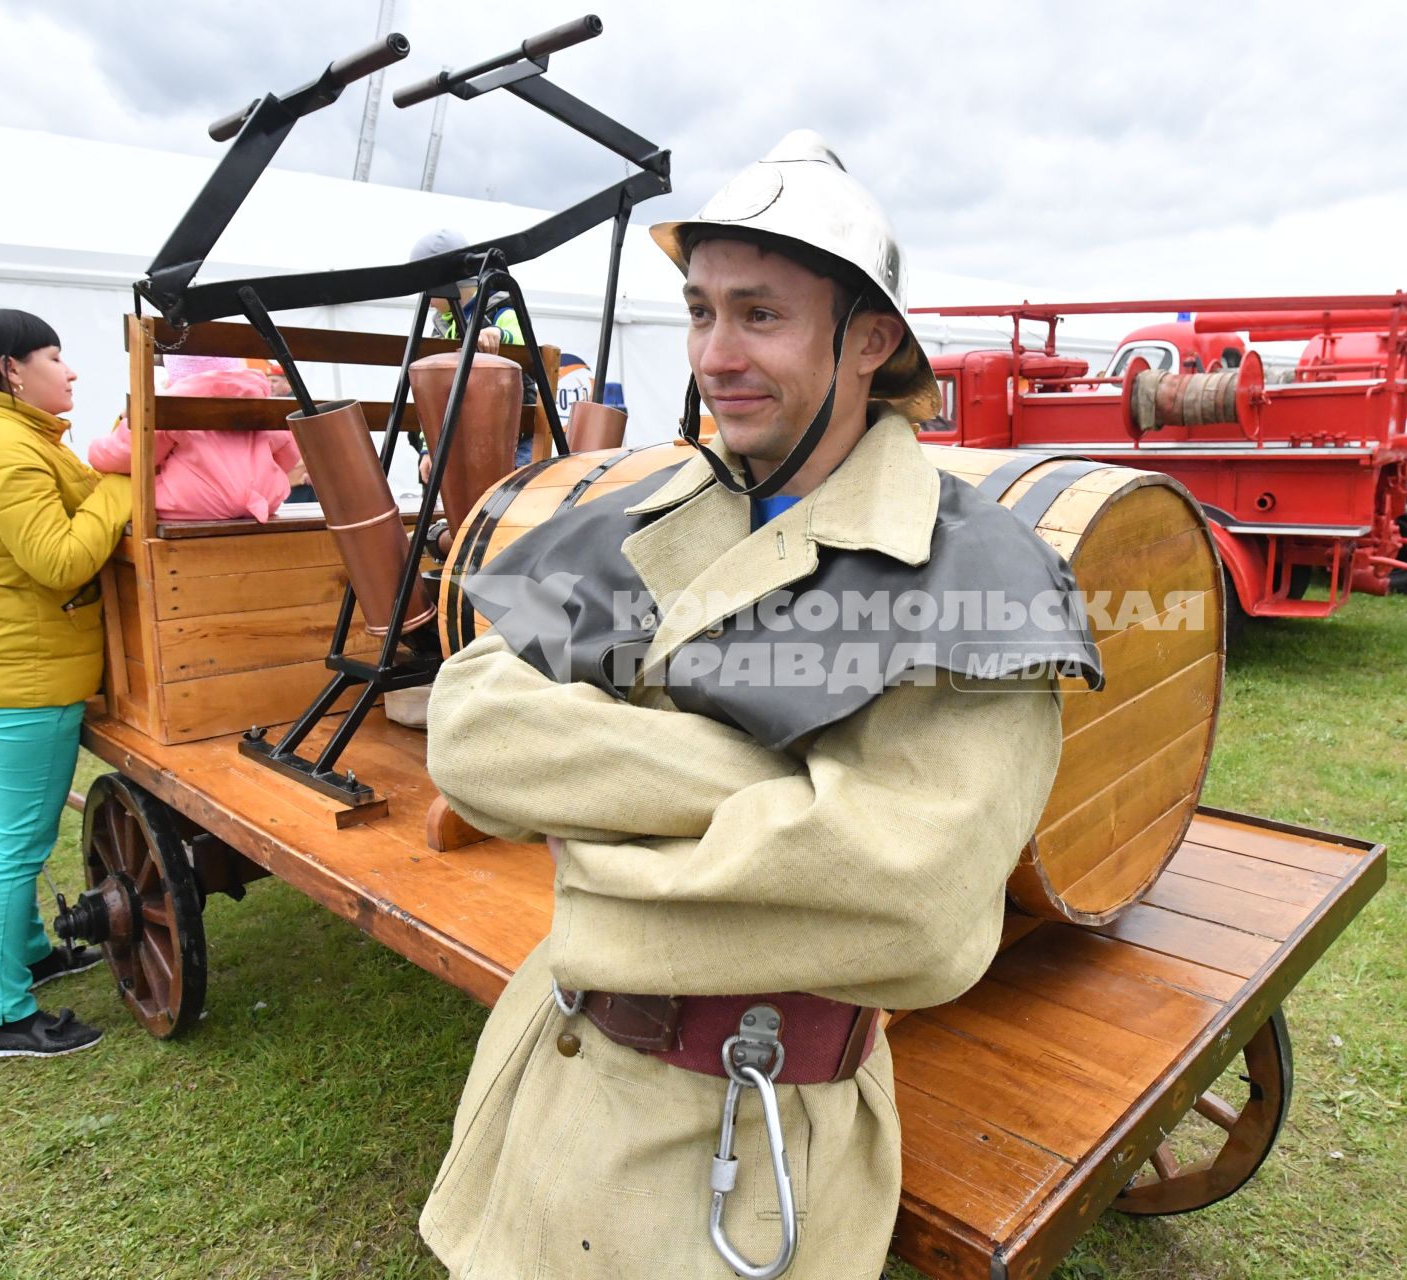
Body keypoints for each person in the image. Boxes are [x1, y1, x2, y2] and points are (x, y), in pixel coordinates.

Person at [419, 131, 1099, 1278]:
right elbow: (471, 726)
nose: (716, 353)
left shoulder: (978, 574)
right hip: (556, 1075)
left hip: (751, 1125)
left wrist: (586, 842)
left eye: (761, 315)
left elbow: (915, 908)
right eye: (699, 311)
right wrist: (774, 789)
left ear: (870, 336)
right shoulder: (650, 510)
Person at [0, 307, 132, 1059]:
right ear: (11, 368)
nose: (69, 369)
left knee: (14, 838)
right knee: (14, 846)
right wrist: (123, 478)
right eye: (54, 355)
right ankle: (2, 1016)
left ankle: (34, 957)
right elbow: (59, 560)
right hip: (20, 674)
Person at [88, 363, 300, 522]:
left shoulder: (174, 408)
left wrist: (96, 450)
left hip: (193, 503)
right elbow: (289, 454)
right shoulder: (261, 407)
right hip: (261, 502)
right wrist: (258, 472)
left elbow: (126, 454)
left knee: (127, 489)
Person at [407, 228, 533, 481]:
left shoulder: (498, 308)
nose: (424, 296)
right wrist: (428, 449)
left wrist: (497, 334)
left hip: (509, 435)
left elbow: (522, 342)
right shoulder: (440, 326)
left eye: (425, 287)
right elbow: (431, 399)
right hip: (460, 437)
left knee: (507, 488)